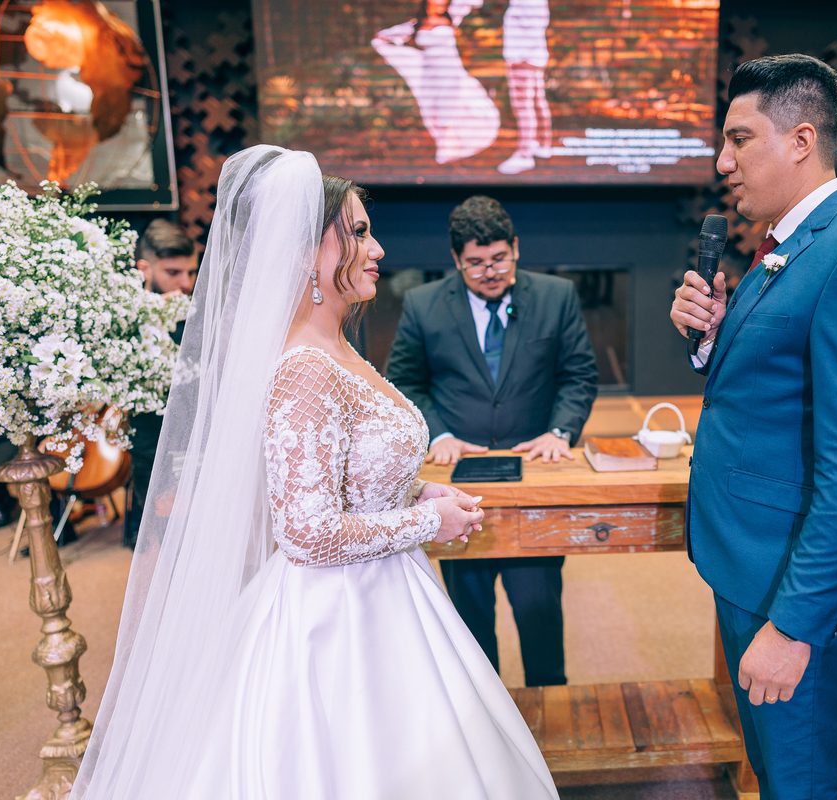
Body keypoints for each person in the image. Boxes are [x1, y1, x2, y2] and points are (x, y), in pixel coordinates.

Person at [72, 146, 559, 799]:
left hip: (388, 588)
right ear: (306, 254)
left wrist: (417, 488)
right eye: (358, 232)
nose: (377, 248)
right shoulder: (304, 368)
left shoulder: (338, 348)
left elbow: (349, 475)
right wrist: (427, 521)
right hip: (338, 616)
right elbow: (305, 532)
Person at [669, 55, 837, 799]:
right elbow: (777, 382)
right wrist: (713, 339)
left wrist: (794, 627)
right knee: (779, 776)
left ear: (802, 140)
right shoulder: (789, 246)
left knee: (805, 785)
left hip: (796, 589)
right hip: (751, 561)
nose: (724, 162)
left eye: (739, 139)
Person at [386, 195, 597, 687]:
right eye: (476, 263)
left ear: (515, 248)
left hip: (533, 479)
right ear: (456, 259)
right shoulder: (423, 304)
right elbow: (405, 382)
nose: (490, 272)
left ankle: (549, 705)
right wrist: (439, 433)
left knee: (539, 611)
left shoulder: (557, 296)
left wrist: (560, 431)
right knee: (472, 622)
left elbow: (579, 375)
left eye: (499, 259)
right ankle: (488, 718)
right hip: (460, 487)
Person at [122, 219, 197, 548]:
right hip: (151, 447)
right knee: (162, 544)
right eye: (173, 272)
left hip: (198, 442)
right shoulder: (124, 318)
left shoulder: (197, 313)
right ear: (145, 269)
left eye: (191, 272)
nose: (186, 283)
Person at [372, 0, 500, 165]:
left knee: (450, 106)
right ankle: (447, 147)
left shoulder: (451, 16)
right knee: (433, 109)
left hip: (449, 70)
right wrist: (382, 39)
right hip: (430, 73)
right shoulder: (417, 24)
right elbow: (387, 35)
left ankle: (452, 148)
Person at [497, 0, 552, 175]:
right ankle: (543, 144)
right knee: (537, 101)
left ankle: (524, 155)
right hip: (531, 58)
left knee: (523, 107)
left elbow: (532, 29)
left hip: (523, 60)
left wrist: (517, 59)